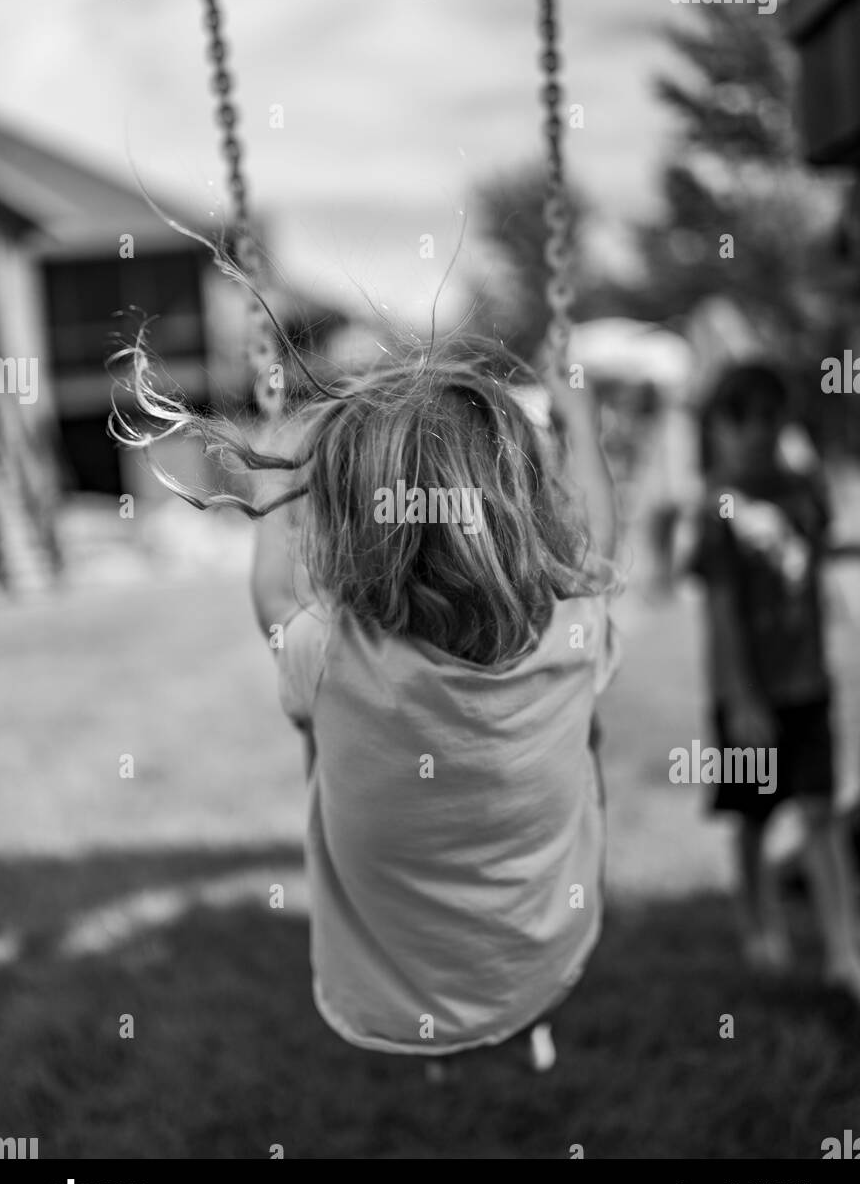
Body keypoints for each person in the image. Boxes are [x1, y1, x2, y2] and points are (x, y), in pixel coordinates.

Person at [115, 319, 619, 1069]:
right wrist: (579, 420)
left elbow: (273, 595)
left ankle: (456, 1040)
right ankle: (518, 1020)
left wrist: (282, 461)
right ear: (523, 502)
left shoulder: (332, 655)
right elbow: (598, 545)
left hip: (388, 994)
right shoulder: (576, 631)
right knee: (577, 772)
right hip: (545, 957)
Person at [690, 361, 860, 1001]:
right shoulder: (717, 509)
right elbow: (723, 615)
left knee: (820, 810)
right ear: (723, 429)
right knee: (756, 819)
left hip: (808, 684)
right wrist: (740, 701)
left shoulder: (806, 493)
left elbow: (817, 571)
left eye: (770, 417)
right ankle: (759, 929)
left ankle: (844, 949)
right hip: (751, 700)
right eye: (745, 420)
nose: (759, 433)